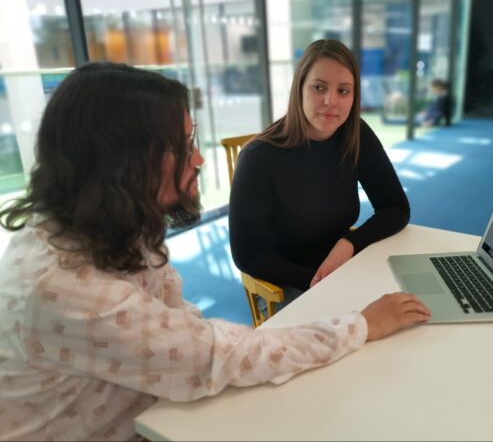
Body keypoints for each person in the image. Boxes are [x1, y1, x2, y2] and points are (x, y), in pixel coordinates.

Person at [0, 62, 431, 441]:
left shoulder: (112, 227)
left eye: (344, 90)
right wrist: (360, 325)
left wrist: (349, 249)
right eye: (185, 145)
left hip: (151, 408)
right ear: (124, 163)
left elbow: (184, 325)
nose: (201, 160)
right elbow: (214, 356)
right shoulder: (67, 288)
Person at [229, 39, 410, 306]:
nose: (330, 101)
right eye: (319, 87)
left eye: (343, 91)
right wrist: (320, 281)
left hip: (343, 266)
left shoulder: (355, 134)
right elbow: (249, 256)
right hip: (287, 283)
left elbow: (396, 208)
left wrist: (350, 242)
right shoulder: (258, 159)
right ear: (299, 89)